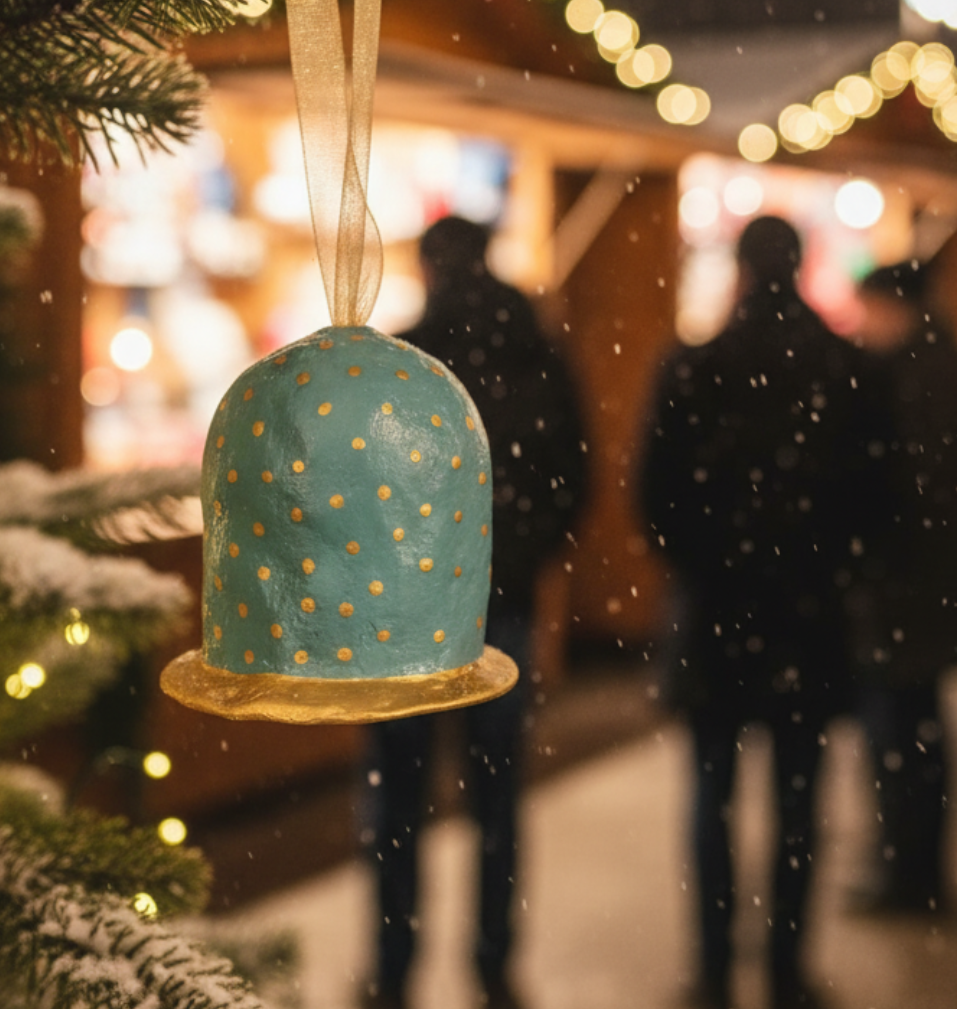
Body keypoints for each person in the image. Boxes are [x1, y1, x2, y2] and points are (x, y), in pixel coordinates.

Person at [640, 217, 893, 1009]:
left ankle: (714, 970)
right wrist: (827, 567)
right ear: (801, 266)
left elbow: (654, 495)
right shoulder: (847, 368)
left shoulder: (694, 365)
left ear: (744, 270)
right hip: (810, 623)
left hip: (717, 615)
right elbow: (879, 499)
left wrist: (706, 563)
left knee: (710, 801)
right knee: (799, 803)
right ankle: (786, 970)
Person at [365, 215, 589, 1009]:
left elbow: (365, 491)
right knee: (497, 795)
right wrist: (518, 561)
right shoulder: (538, 350)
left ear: (429, 267)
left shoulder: (404, 359)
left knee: (398, 797)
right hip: (505, 605)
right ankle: (494, 963)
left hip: (402, 621)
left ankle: (394, 966)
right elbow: (573, 474)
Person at [847, 260, 957, 913]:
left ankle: (905, 873)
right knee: (920, 732)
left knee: (897, 733)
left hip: (902, 587)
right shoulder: (942, 365)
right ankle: (916, 869)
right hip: (933, 585)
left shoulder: (907, 377)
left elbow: (900, 491)